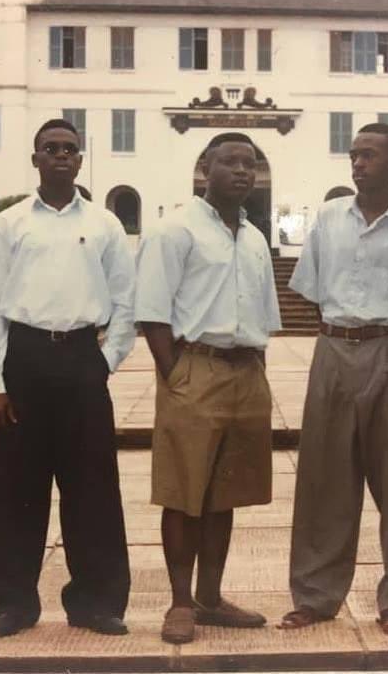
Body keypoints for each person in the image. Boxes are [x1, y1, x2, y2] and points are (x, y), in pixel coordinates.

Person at [0, 119, 135, 638]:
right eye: (50, 148)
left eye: (70, 149)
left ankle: (96, 603)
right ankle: (12, 604)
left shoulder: (106, 224)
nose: (61, 156)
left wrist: (104, 364)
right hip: (24, 360)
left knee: (92, 488)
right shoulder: (10, 223)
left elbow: (126, 304)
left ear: (81, 160)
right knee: (14, 490)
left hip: (83, 360)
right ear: (36, 158)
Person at [278, 123, 388, 635]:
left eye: (369, 154)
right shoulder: (328, 217)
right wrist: (346, 341)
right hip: (331, 350)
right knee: (323, 479)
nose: (358, 163)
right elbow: (310, 288)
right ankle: (315, 596)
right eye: (354, 155)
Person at [135, 132, 282, 645]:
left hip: (246, 373)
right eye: (230, 162)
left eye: (250, 163)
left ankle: (211, 597)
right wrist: (174, 374)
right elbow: (152, 313)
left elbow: (264, 313)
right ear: (205, 169)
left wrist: (257, 367)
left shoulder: (255, 237)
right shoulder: (174, 230)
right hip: (195, 370)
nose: (242, 171)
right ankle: (179, 602)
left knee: (227, 495)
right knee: (183, 493)